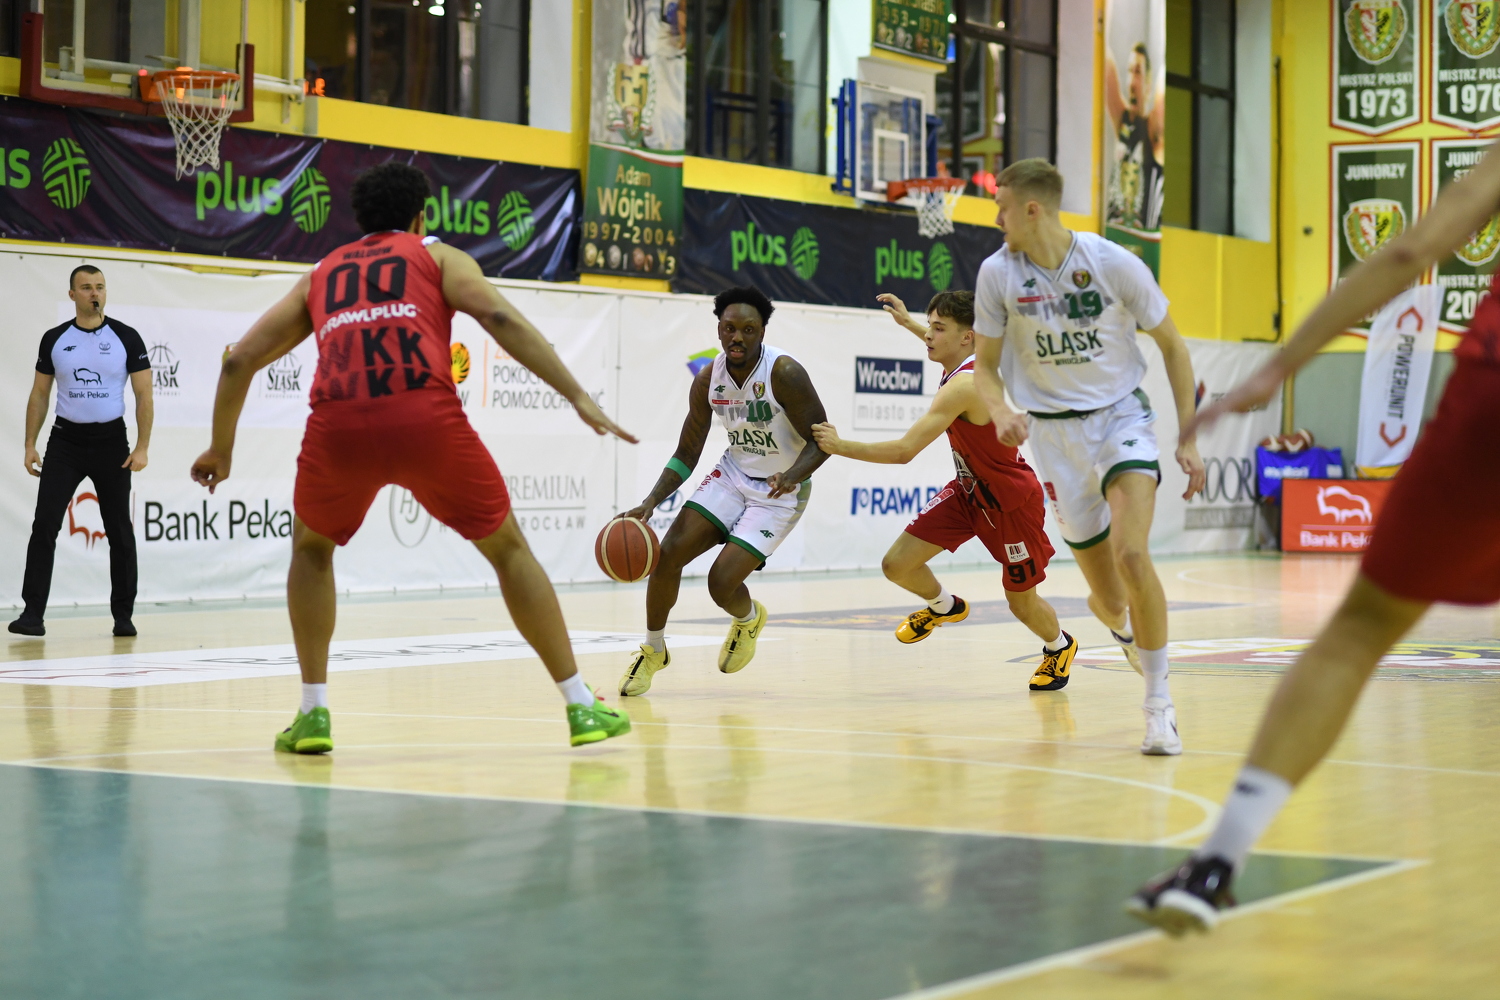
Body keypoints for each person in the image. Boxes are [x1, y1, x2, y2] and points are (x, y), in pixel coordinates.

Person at [1126, 134, 1500, 936]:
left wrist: (1278, 366)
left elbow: (1408, 252)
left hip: (1489, 412)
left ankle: (1216, 863)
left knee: (1358, 631)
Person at [189, 162, 635, 754]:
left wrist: (221, 449)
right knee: (509, 552)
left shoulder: (321, 273)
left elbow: (238, 361)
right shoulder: (437, 257)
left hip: (339, 427)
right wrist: (576, 394)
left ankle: (313, 714)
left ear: (361, 219)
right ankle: (580, 705)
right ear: (421, 216)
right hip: (424, 419)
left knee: (312, 551)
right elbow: (499, 316)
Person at [970, 158, 1206, 755]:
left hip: (1120, 419)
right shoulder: (997, 274)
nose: (996, 219)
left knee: (1132, 554)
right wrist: (1000, 411)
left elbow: (1174, 347)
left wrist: (1188, 437)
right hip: (1053, 438)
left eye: (1002, 207)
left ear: (1032, 209)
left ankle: (1159, 706)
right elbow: (986, 369)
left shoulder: (1112, 262)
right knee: (1108, 598)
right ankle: (1124, 630)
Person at [812, 291, 1076, 690]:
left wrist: (839, 446)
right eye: (930, 326)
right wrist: (908, 323)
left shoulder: (965, 386)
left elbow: (904, 452)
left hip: (1010, 505)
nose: (929, 335)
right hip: (968, 492)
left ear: (967, 337)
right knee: (897, 564)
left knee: (1021, 603)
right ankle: (945, 606)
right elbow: (945, 341)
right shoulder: (963, 362)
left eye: (938, 329)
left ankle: (1059, 647)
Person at [616, 286, 829, 696]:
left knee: (720, 584)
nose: (738, 337)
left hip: (780, 491)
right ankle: (654, 649)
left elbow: (822, 441)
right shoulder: (707, 379)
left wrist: (792, 475)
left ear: (762, 332)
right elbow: (687, 452)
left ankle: (748, 620)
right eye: (730, 328)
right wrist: (650, 501)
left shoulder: (784, 373)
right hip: (733, 474)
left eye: (748, 330)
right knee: (667, 555)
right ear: (718, 330)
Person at [11, 266, 152, 638]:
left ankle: (123, 616)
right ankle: (32, 614)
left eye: (100, 287)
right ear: (72, 294)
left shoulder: (126, 337)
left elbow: (144, 395)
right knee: (45, 525)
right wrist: (29, 443)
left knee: (119, 529)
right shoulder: (55, 338)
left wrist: (142, 446)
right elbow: (40, 394)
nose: (95, 293)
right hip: (66, 442)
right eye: (86, 287)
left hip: (111, 442)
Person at [1105, 41, 1165, 235]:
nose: (1131, 82)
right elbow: (1106, 67)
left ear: (1148, 85)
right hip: (1114, 234)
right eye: (1129, 71)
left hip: (1143, 239)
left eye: (1137, 72)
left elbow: (1162, 95)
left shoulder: (1152, 131)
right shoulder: (1122, 123)